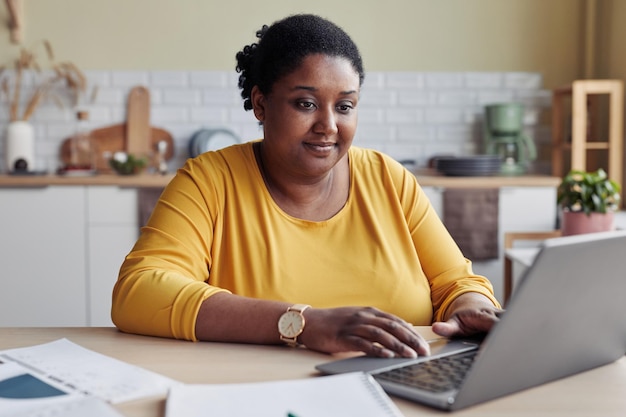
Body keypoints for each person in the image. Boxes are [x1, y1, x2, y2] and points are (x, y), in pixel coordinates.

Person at [112, 13, 502, 359]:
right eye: (305, 104)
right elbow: (139, 292)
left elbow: (456, 283)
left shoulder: (390, 179)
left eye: (344, 106)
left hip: (400, 390)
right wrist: (303, 324)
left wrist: (471, 308)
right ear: (261, 104)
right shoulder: (211, 181)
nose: (328, 126)